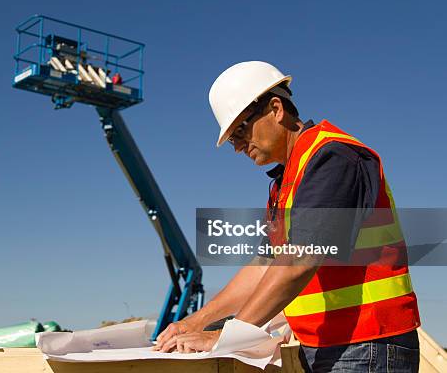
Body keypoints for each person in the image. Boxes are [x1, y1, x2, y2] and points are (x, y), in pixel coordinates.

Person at [154, 61, 421, 372]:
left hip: (367, 343)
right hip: (328, 345)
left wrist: (226, 338)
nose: (239, 147)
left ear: (276, 109)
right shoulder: (287, 181)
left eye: (240, 131)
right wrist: (195, 321)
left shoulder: (332, 158)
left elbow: (298, 261)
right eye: (231, 142)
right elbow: (264, 265)